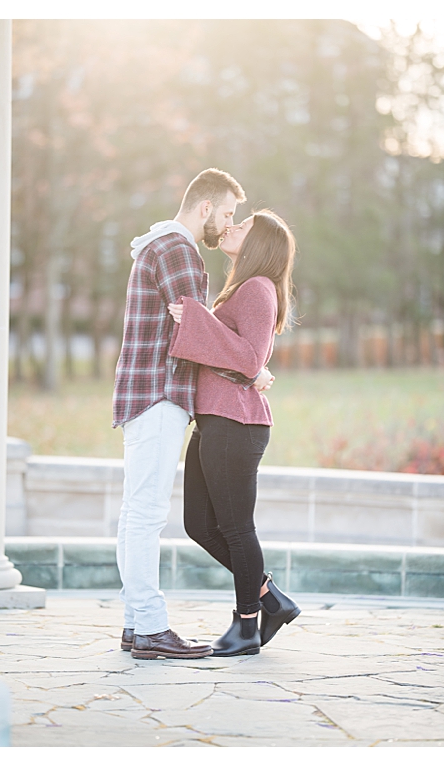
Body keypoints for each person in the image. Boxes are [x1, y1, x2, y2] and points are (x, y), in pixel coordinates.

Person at [112, 167, 250, 661]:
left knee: (136, 513)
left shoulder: (159, 245)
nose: (228, 225)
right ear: (206, 207)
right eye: (228, 214)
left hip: (143, 394)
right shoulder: (179, 251)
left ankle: (136, 624)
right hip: (161, 394)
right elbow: (197, 335)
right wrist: (251, 371)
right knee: (147, 514)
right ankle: (150, 626)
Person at [167, 209, 301, 657]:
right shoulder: (245, 290)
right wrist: (200, 318)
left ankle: (246, 625)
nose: (232, 227)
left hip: (237, 422)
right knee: (198, 523)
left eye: (243, 225)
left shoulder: (259, 290)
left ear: (259, 243)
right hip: (217, 419)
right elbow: (246, 360)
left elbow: (249, 358)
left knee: (237, 528)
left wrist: (194, 318)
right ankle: (269, 597)